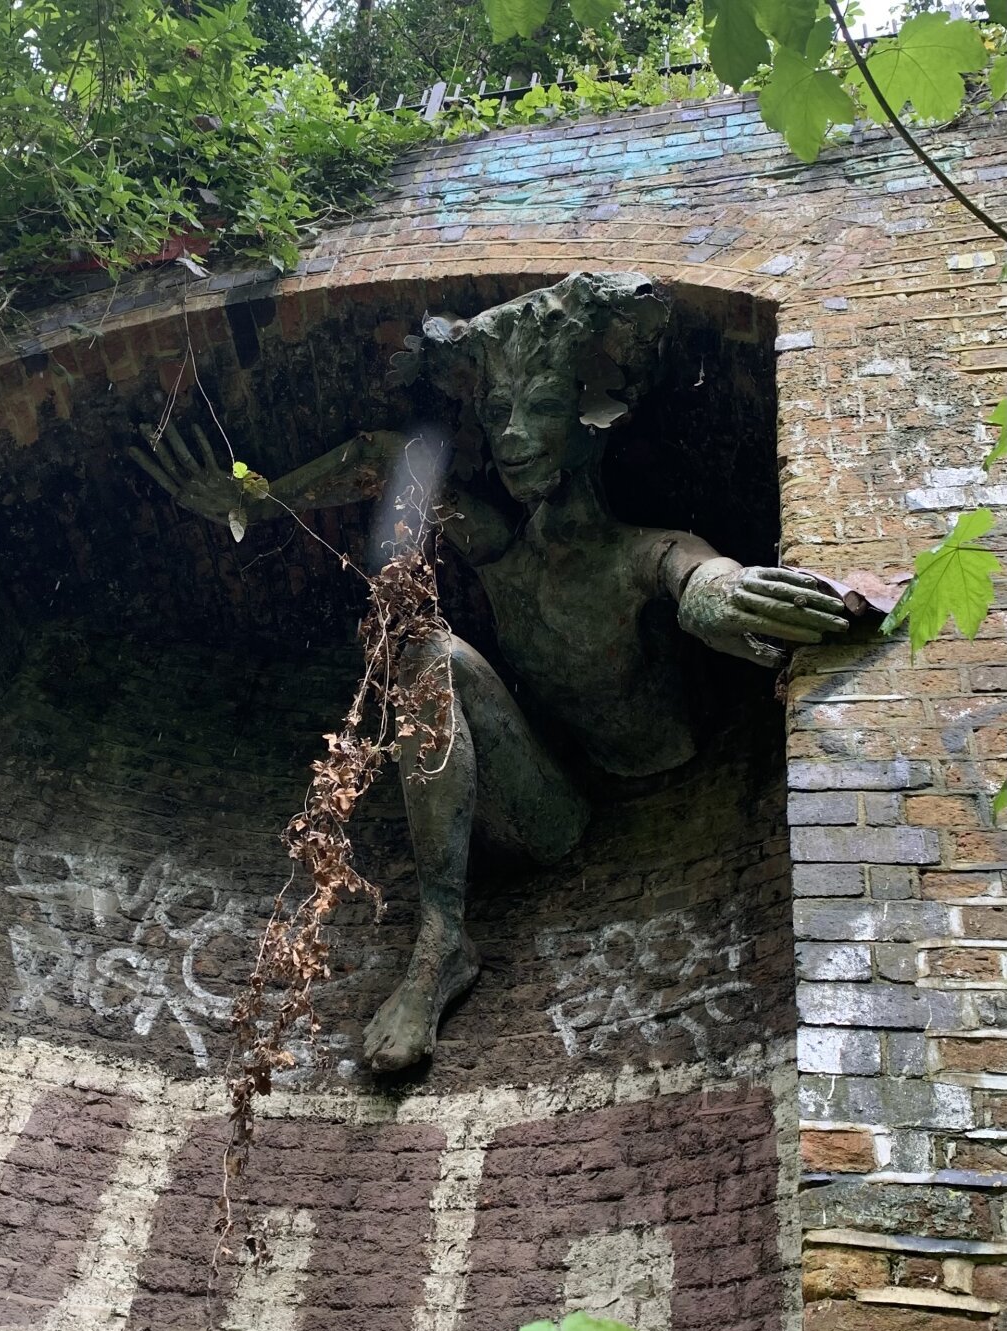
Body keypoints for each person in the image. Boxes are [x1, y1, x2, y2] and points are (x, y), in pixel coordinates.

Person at [131, 272, 848, 1072]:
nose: (509, 434)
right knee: (426, 645)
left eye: (538, 409)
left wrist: (729, 594)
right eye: (496, 412)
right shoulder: (501, 547)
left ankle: (445, 942)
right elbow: (382, 457)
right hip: (543, 795)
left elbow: (695, 580)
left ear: (590, 424)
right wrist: (253, 503)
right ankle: (442, 940)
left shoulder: (639, 551)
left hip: (652, 799)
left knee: (434, 646)